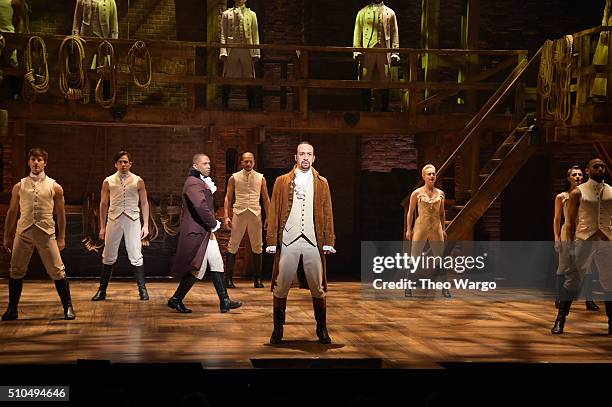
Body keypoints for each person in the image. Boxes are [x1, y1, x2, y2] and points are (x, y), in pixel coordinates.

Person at [266, 142, 336, 344]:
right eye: (301, 154)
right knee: (281, 286)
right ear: (295, 157)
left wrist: (328, 239)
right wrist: (271, 239)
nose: (305, 157)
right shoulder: (281, 181)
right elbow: (273, 212)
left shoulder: (322, 182)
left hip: (312, 240)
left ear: (314, 158)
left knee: (318, 286)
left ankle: (321, 329)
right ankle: (278, 329)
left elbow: (328, 212)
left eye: (309, 154)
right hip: (288, 239)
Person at [2, 148, 75, 321]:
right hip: (23, 232)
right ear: (28, 162)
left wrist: (62, 236)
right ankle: (12, 308)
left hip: (46, 233)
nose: (36, 163)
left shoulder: (55, 187)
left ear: (45, 163)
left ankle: (68, 306)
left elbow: (61, 214)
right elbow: (12, 212)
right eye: (33, 159)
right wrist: (7, 236)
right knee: (16, 270)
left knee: (57, 270)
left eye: (39, 160)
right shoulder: (19, 186)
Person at [167, 154, 242, 314]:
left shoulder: (198, 182)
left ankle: (224, 301)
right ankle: (176, 299)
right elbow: (200, 206)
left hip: (205, 231)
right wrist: (213, 224)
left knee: (216, 263)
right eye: (205, 163)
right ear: (195, 166)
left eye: (209, 163)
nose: (209, 166)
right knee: (198, 269)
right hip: (199, 231)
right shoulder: (193, 183)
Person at [552, 158, 612, 334]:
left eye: (602, 166)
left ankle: (611, 323)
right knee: (572, 280)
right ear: (588, 170)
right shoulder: (578, 192)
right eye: (596, 166)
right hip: (584, 239)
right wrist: (569, 245)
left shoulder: (611, 191)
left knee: (609, 281)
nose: (600, 169)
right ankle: (560, 320)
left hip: (606, 240)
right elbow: (569, 222)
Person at [92, 151, 149, 301]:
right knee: (109, 254)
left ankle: (142, 290)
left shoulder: (138, 181)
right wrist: (102, 227)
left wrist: (146, 225)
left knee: (136, 253)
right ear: (115, 164)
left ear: (130, 163)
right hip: (114, 219)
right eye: (120, 162)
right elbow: (103, 204)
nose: (123, 164)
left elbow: (144, 202)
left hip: (133, 219)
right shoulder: (108, 181)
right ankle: (102, 290)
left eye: (125, 162)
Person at [553, 165, 598, 310]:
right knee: (564, 265)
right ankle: (559, 298)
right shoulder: (562, 196)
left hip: (584, 233)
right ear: (568, 178)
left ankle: (589, 300)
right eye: (574, 175)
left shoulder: (587, 195)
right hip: (567, 232)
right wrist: (556, 238)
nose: (578, 177)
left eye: (580, 174)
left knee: (588, 266)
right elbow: (556, 218)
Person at [223, 151, 271, 288]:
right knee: (233, 244)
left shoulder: (261, 178)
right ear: (241, 162)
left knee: (258, 246)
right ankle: (228, 279)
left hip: (255, 213)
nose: (248, 163)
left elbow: (266, 198)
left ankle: (258, 279)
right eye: (246, 161)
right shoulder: (234, 177)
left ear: (254, 162)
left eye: (250, 161)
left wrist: (269, 216)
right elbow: (227, 197)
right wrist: (226, 216)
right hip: (239, 212)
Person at [405, 164, 450, 298]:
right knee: (414, 257)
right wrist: (408, 229)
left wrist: (443, 228)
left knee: (440, 258)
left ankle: (445, 289)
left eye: (433, 174)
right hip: (421, 226)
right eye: (429, 174)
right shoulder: (417, 193)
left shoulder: (440, 194)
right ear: (424, 176)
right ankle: (408, 287)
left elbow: (442, 213)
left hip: (435, 227)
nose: (432, 176)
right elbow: (410, 212)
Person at [353, 0, 399, 112]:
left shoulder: (390, 13)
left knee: (385, 78)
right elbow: (357, 32)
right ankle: (365, 108)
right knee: (366, 78)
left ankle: (384, 108)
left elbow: (394, 33)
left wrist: (395, 52)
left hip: (384, 50)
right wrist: (357, 51)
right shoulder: (362, 13)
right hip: (367, 50)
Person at [219, 0, 260, 109]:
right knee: (228, 75)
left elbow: (255, 34)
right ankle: (225, 104)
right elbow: (223, 34)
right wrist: (223, 51)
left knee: (249, 75)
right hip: (232, 48)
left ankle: (252, 105)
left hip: (247, 48)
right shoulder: (226, 14)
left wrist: (256, 53)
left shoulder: (252, 15)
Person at [590, 0, 611, 100]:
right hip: (610, 30)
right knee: (605, 58)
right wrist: (603, 31)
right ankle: (602, 91)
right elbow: (607, 10)